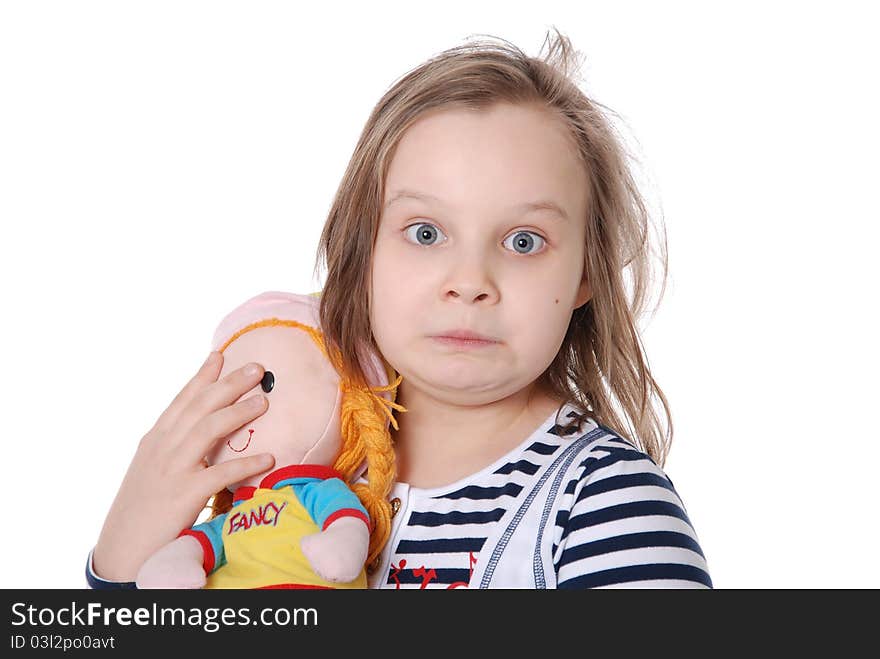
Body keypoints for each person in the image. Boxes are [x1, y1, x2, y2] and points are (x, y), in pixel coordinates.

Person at [87, 28, 712, 589]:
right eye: (425, 232)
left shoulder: (606, 507)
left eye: (524, 241)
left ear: (585, 274)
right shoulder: (293, 478)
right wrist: (120, 560)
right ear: (361, 253)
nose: (469, 282)